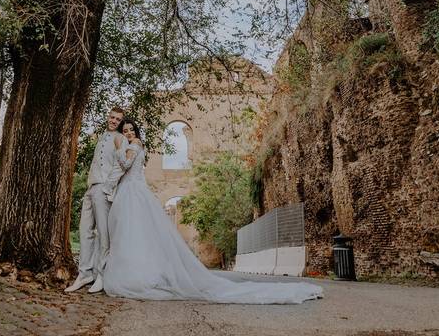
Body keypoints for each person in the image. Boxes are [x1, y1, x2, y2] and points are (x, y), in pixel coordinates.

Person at [102, 119, 324, 304]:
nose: (128, 133)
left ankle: (137, 276)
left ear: (136, 132)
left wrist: (119, 146)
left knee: (133, 231)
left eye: (131, 130)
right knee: (134, 234)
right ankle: (140, 272)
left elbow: (124, 164)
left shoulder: (135, 145)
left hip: (133, 192)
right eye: (125, 131)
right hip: (131, 191)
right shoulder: (135, 145)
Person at [65, 106, 129, 293]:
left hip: (103, 189)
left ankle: (101, 275)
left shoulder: (121, 138)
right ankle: (84, 274)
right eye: (112, 117)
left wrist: (108, 186)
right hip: (90, 188)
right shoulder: (101, 137)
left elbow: (120, 166)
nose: (114, 121)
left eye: (118, 119)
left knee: (103, 234)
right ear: (107, 117)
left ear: (121, 122)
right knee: (85, 231)